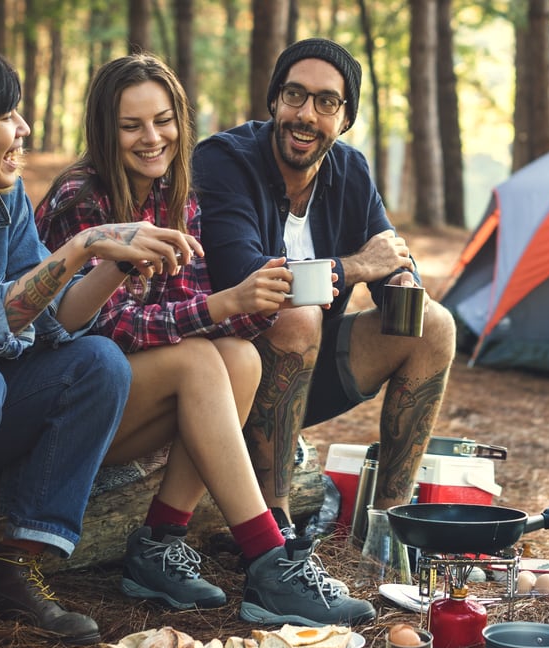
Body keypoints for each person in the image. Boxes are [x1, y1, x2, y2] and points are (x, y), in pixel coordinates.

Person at [0, 45, 208, 648]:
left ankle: (14, 567)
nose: (24, 130)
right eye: (6, 116)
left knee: (97, 363)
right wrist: (79, 246)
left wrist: (113, 259)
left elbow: (55, 318)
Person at [35, 54, 374, 626]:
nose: (152, 138)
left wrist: (250, 303)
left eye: (163, 121)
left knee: (240, 358)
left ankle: (159, 543)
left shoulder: (176, 191)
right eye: (131, 125)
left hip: (133, 398)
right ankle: (269, 559)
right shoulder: (82, 197)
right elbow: (108, 328)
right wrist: (224, 304)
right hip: (65, 406)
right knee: (197, 362)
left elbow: (187, 307)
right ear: (103, 129)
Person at [192, 38, 457, 530]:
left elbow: (390, 259)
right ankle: (275, 528)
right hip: (223, 377)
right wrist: (357, 267)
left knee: (433, 325)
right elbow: (246, 281)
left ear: (345, 118)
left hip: (305, 377)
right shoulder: (224, 161)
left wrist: (400, 278)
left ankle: (389, 523)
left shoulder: (350, 169)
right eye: (295, 95)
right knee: (295, 311)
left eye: (326, 102)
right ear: (274, 101)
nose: (306, 115)